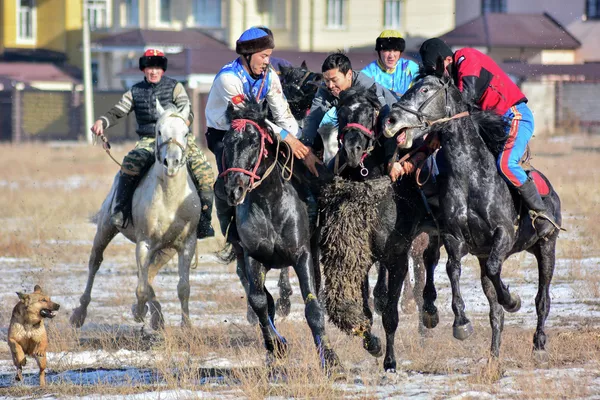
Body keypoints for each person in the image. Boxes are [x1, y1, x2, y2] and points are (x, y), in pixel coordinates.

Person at [416, 37, 556, 239]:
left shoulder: (467, 57)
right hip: (489, 125)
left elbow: (467, 99)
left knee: (506, 165)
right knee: (448, 161)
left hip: (514, 115)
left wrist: (438, 129)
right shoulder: (452, 76)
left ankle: (541, 215)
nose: (439, 75)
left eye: (438, 69)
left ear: (447, 59)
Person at [204, 26, 315, 241]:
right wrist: (287, 138)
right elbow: (248, 118)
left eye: (269, 56)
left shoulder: (269, 76)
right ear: (248, 55)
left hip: (256, 129)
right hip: (225, 133)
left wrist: (300, 142)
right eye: (263, 56)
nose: (267, 61)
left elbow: (283, 115)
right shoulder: (228, 78)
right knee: (230, 178)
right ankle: (231, 231)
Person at [90, 49, 215, 239]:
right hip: (149, 140)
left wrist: (178, 127)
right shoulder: (135, 91)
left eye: (157, 67)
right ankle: (121, 211)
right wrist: (102, 122)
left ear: (162, 70)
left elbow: (188, 112)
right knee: (129, 166)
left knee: (204, 172)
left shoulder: (176, 88)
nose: (153, 71)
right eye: (149, 67)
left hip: (179, 139)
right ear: (143, 69)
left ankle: (204, 221)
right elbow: (117, 111)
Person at [301, 52, 398, 174]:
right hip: (356, 137)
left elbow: (387, 119)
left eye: (334, 80)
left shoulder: (366, 86)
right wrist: (306, 146)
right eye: (326, 80)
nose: (330, 85)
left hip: (391, 129)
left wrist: (392, 160)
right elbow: (313, 118)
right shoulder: (325, 89)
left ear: (349, 75)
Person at [361, 30, 420, 99]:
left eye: (395, 50)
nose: (391, 55)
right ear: (379, 51)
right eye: (387, 50)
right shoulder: (368, 73)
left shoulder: (411, 67)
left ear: (400, 52)